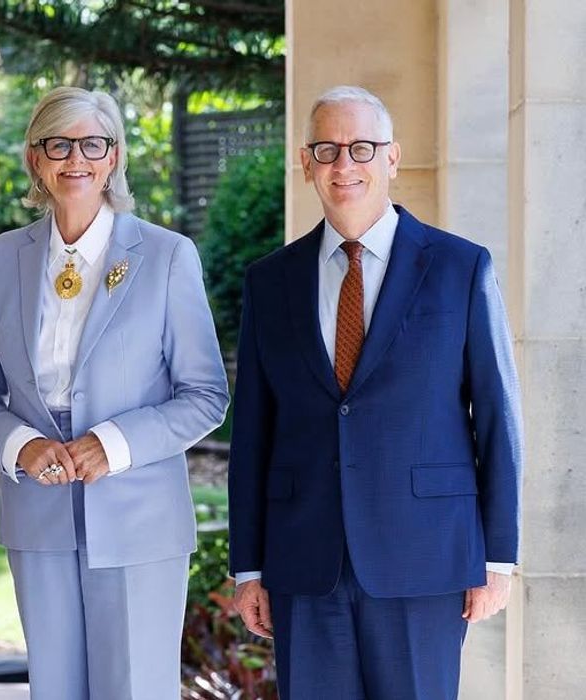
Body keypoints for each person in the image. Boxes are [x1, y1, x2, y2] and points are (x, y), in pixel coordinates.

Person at [227, 85, 522, 700]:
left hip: (427, 560)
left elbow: (497, 418)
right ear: (305, 163)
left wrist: (497, 557)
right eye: (327, 149)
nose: (344, 165)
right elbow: (253, 433)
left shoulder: (460, 268)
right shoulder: (270, 281)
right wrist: (249, 566)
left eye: (361, 148)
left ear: (392, 159)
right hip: (304, 561)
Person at [0, 86, 230, 699]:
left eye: (92, 144)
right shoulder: (5, 257)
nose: (74, 159)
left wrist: (113, 443)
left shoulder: (166, 256)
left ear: (114, 158)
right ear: (36, 159)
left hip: (139, 514)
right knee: (54, 689)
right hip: (38, 512)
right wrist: (22, 446)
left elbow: (206, 395)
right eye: (58, 144)